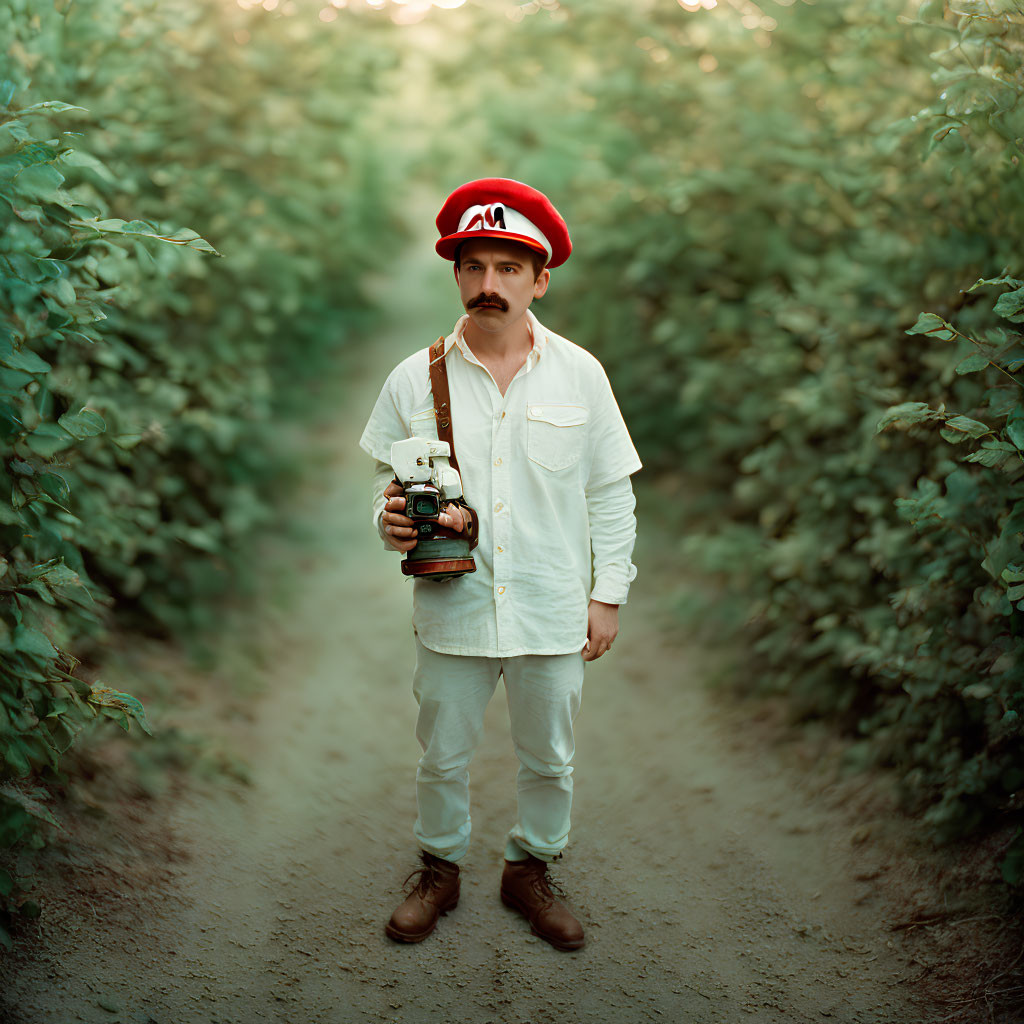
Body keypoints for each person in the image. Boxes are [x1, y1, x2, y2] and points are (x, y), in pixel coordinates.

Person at [358, 178, 641, 952]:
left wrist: (607, 593)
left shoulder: (582, 374)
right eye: (474, 265)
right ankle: (439, 868)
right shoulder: (412, 379)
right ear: (456, 273)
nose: (489, 284)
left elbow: (611, 495)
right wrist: (390, 527)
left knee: (550, 755)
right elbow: (386, 497)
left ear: (540, 278)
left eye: (508, 267)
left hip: (551, 603)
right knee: (442, 752)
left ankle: (531, 869)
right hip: (454, 606)